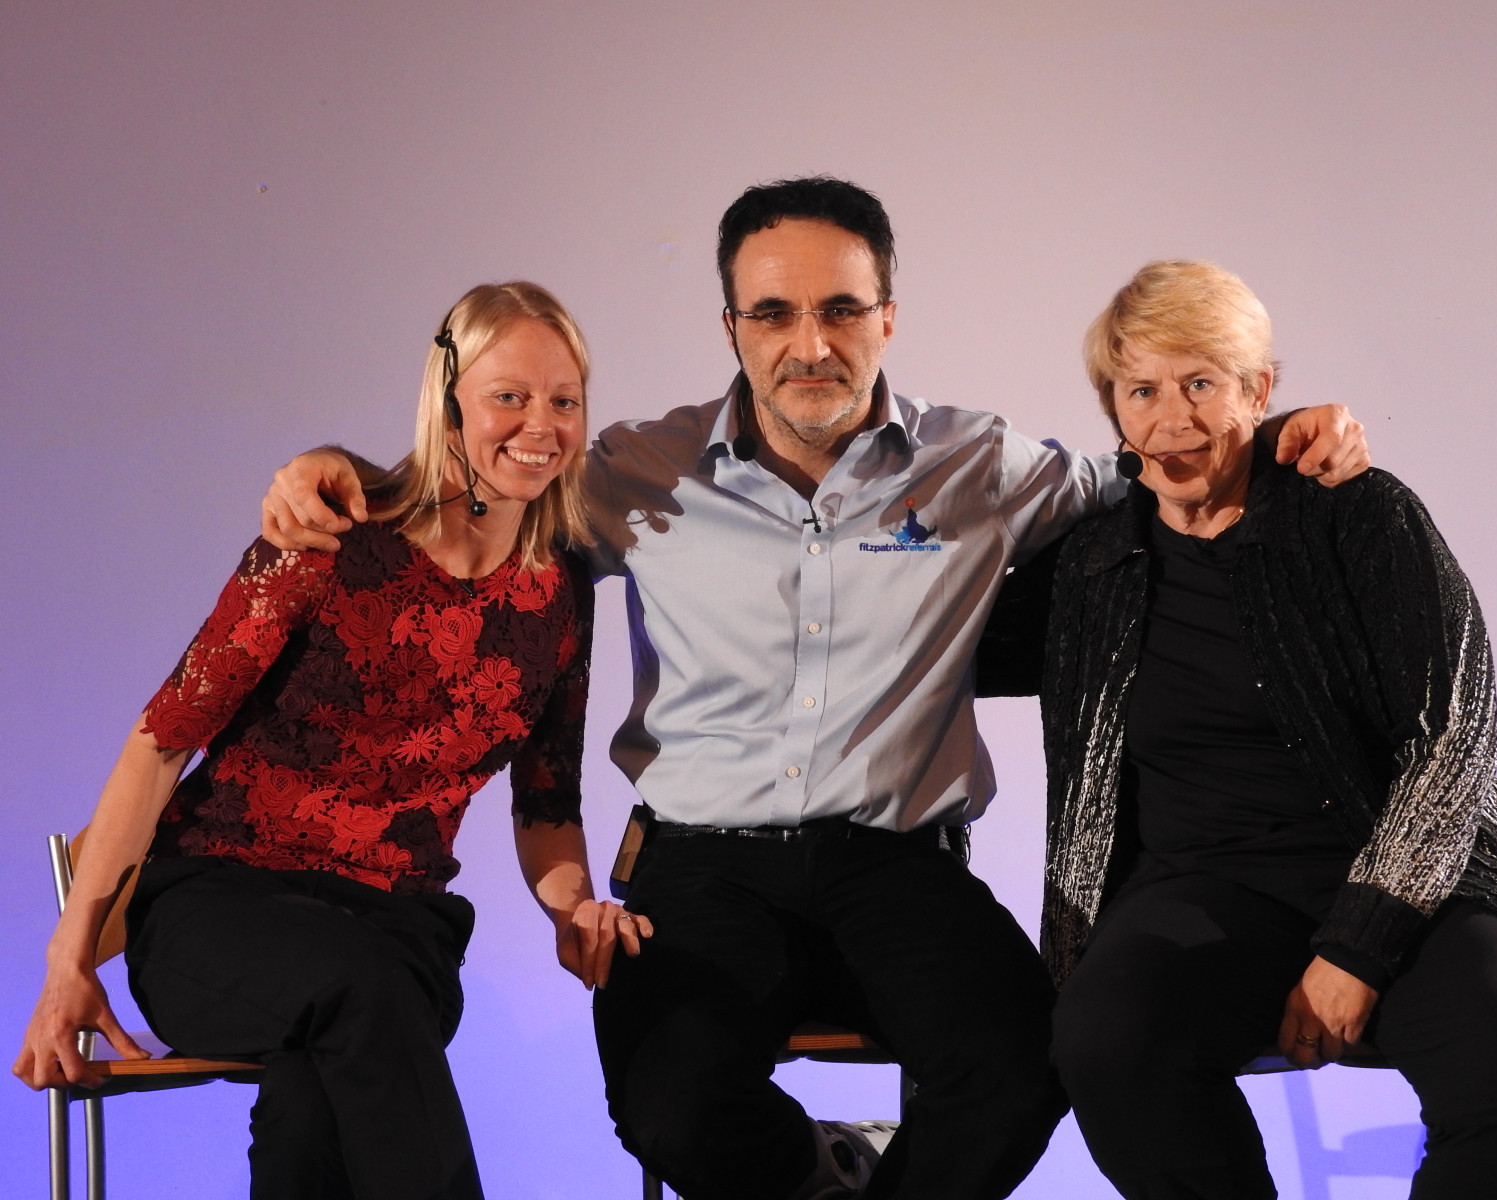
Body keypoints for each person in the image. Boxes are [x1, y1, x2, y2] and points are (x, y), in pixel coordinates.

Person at [258, 179, 1371, 1200]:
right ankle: (825, 1167)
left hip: (898, 868)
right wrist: (339, 470)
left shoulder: (975, 464)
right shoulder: (634, 473)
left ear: (887, 316)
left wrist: (1268, 433)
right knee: (669, 1110)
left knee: (1026, 1068)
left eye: (840, 311)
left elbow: (1157, 463)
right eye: (774, 314)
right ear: (731, 328)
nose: (810, 345)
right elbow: (478, 496)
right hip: (700, 867)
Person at [13, 281, 644, 1200]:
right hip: (218, 910)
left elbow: (546, 804)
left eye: (563, 399)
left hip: (398, 923)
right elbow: (161, 742)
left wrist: (572, 909)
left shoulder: (560, 594)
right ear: (449, 395)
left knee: (321, 1100)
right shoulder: (327, 542)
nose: (538, 424)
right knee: (358, 995)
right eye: (509, 395)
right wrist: (66, 960)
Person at [981, 260, 1497, 1199]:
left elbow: (1454, 737)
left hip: (1419, 875)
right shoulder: (1089, 562)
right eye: (1141, 390)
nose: (1172, 417)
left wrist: (1359, 943)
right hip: (1201, 887)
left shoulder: (1360, 515)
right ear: (1113, 409)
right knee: (1105, 1044)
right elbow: (939, 642)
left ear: (1260, 390)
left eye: (1202, 384)